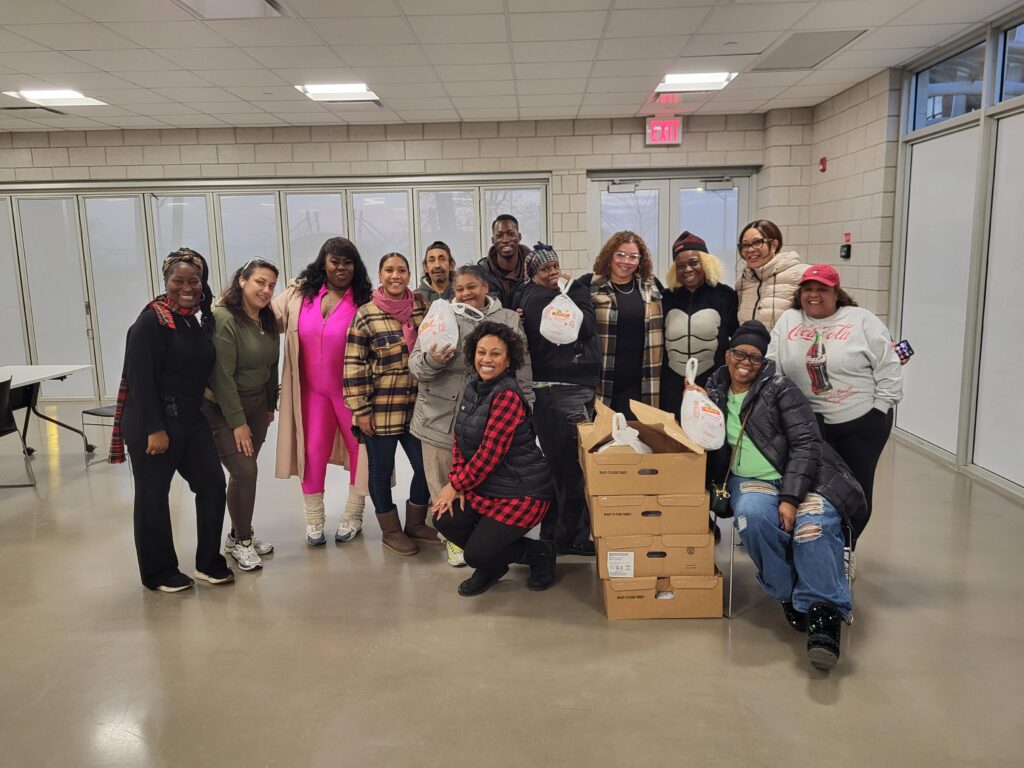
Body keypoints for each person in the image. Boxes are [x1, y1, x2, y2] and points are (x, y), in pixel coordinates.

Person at [697, 320, 867, 671]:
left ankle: (824, 615)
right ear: (727, 354)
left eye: (754, 357)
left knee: (812, 526)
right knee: (754, 519)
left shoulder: (780, 389)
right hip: (749, 479)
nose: (745, 362)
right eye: (739, 353)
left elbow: (807, 444)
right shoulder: (711, 389)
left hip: (805, 477)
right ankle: (790, 591)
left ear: (764, 362)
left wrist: (790, 498)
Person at [109, 248, 233, 592]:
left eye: (194, 280)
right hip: (154, 422)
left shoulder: (197, 318)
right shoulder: (152, 321)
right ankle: (159, 572)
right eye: (178, 280)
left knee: (211, 485)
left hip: (191, 420)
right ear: (166, 282)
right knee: (153, 497)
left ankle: (209, 562)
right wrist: (155, 429)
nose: (187, 286)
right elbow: (140, 381)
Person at [409, 264, 533, 567]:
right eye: (459, 289)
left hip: (485, 419)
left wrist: (527, 405)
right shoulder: (440, 316)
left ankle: (479, 536)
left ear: (485, 288)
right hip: (439, 418)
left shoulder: (507, 319)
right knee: (441, 482)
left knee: (481, 481)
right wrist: (432, 360)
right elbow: (415, 366)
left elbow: (522, 366)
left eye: (471, 287)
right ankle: (451, 539)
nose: (465, 294)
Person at [768, 264, 903, 538]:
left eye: (822, 289)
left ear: (836, 292)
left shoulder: (861, 319)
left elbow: (888, 365)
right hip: (806, 424)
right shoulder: (789, 320)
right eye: (807, 289)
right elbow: (773, 364)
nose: (813, 295)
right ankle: (815, 545)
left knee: (855, 489)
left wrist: (879, 410)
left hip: (860, 420)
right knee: (813, 487)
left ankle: (847, 548)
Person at [432, 322, 555, 596]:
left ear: (509, 359)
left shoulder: (507, 395)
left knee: (475, 555)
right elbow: (459, 440)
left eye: (496, 354)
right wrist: (457, 483)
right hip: (488, 485)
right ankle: (494, 562)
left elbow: (489, 455)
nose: (486, 360)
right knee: (443, 517)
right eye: (481, 352)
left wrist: (454, 486)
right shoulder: (474, 386)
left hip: (522, 490)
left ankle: (538, 552)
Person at [272, 237, 373, 546]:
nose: (341, 268)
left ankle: (353, 515)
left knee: (361, 450)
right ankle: (314, 520)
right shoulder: (301, 295)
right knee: (312, 451)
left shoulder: (365, 299)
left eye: (348, 262)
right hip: (312, 391)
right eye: (335, 262)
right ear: (323, 263)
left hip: (352, 391)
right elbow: (262, 312)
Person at [345, 252, 434, 556]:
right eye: (389, 270)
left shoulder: (422, 308)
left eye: (401, 270)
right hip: (380, 407)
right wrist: (360, 409)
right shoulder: (366, 314)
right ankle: (391, 531)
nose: (395, 275)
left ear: (409, 274)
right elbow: (353, 363)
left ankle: (416, 523)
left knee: (425, 468)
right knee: (380, 473)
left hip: (417, 407)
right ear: (380, 275)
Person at [515, 243, 600, 556]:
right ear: (533, 275)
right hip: (562, 391)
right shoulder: (546, 300)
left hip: (553, 391)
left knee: (559, 466)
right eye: (545, 270)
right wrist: (576, 287)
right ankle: (570, 538)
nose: (553, 274)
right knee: (570, 468)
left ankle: (554, 533)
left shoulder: (528, 296)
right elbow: (585, 327)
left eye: (555, 267)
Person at [203, 258, 280, 571]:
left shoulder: (266, 318)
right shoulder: (224, 318)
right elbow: (222, 377)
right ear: (242, 281)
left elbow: (271, 365)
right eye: (260, 282)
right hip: (222, 407)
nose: (266, 290)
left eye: (271, 285)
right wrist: (237, 424)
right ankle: (243, 543)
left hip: (257, 404)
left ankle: (238, 535)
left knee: (243, 473)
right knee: (245, 471)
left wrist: (270, 404)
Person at [579, 230, 663, 417]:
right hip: (600, 383)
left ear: (640, 260)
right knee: (601, 441)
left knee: (635, 441)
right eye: (621, 254)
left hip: (640, 384)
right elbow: (563, 310)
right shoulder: (589, 284)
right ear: (610, 256)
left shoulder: (651, 285)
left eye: (633, 256)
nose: (626, 261)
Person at [659, 230, 739, 417]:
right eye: (680, 266)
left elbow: (735, 337)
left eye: (693, 262)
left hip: (713, 382)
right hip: (672, 384)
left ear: (705, 262)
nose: (687, 269)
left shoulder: (725, 295)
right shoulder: (666, 298)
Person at [735, 219, 806, 329]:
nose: (750, 249)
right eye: (745, 245)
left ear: (774, 245)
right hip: (751, 345)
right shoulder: (743, 282)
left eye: (757, 242)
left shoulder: (800, 275)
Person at [478, 214, 529, 308]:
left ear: (519, 236)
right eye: (499, 236)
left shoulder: (534, 270)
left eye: (511, 234)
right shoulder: (482, 273)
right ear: (493, 240)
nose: (505, 240)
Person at [413, 240, 456, 305]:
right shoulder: (415, 298)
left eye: (442, 259)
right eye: (432, 260)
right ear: (425, 267)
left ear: (451, 265)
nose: (437, 265)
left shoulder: (461, 295)